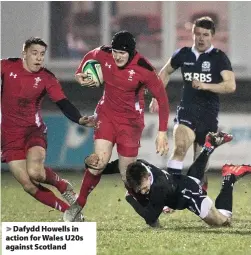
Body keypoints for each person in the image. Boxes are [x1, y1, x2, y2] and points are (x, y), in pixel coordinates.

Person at [63, 30, 170, 221]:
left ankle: (150, 207)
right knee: (98, 164)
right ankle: (79, 203)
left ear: (131, 52)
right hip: (106, 114)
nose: (117, 56)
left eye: (122, 53)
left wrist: (162, 132)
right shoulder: (104, 54)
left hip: (131, 123)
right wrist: (79, 72)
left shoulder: (144, 68)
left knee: (127, 175)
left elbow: (162, 99)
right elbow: (91, 54)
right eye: (115, 52)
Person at [1, 37, 93, 221]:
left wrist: (79, 118)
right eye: (34, 53)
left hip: (33, 131)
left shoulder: (46, 78)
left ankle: (62, 186)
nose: (38, 58)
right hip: (9, 137)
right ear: (24, 54)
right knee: (28, 185)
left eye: (42, 54)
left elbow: (62, 102)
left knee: (35, 172)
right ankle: (70, 212)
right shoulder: (7, 67)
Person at [149, 16, 236, 191]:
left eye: (205, 34)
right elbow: (165, 72)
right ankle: (171, 192)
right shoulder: (183, 54)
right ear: (192, 34)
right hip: (187, 110)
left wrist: (205, 85)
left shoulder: (219, 58)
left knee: (199, 161)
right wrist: (156, 96)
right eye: (197, 34)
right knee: (180, 147)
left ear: (212, 36)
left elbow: (230, 85)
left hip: (209, 114)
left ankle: (198, 189)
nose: (201, 38)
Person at [125, 131, 251, 227]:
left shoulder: (159, 187)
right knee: (192, 178)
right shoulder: (142, 165)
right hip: (182, 182)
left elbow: (150, 218)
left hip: (190, 194)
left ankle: (229, 178)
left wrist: (130, 198)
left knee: (223, 222)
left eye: (143, 188)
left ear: (146, 176)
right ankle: (208, 147)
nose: (142, 192)